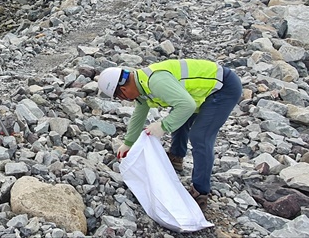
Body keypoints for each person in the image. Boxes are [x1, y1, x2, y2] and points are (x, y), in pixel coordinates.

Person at [98, 59, 242, 209]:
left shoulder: (155, 82)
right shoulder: (141, 87)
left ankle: (201, 192)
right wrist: (128, 143)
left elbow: (187, 105)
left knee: (200, 136)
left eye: (122, 97)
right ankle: (176, 157)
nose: (126, 100)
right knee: (179, 119)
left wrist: (163, 126)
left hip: (222, 88)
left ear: (124, 90)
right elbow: (139, 114)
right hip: (200, 93)